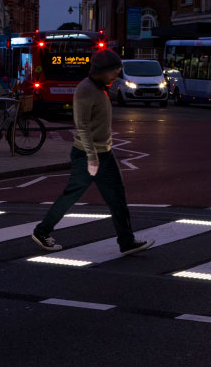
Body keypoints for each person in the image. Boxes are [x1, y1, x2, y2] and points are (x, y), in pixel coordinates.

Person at [32, 49, 153, 255]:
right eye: (115, 71)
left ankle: (126, 241)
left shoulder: (100, 88)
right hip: (88, 155)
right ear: (102, 71)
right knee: (71, 195)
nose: (117, 76)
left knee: (117, 197)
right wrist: (91, 156)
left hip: (104, 153)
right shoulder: (85, 90)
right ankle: (42, 231)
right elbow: (82, 126)